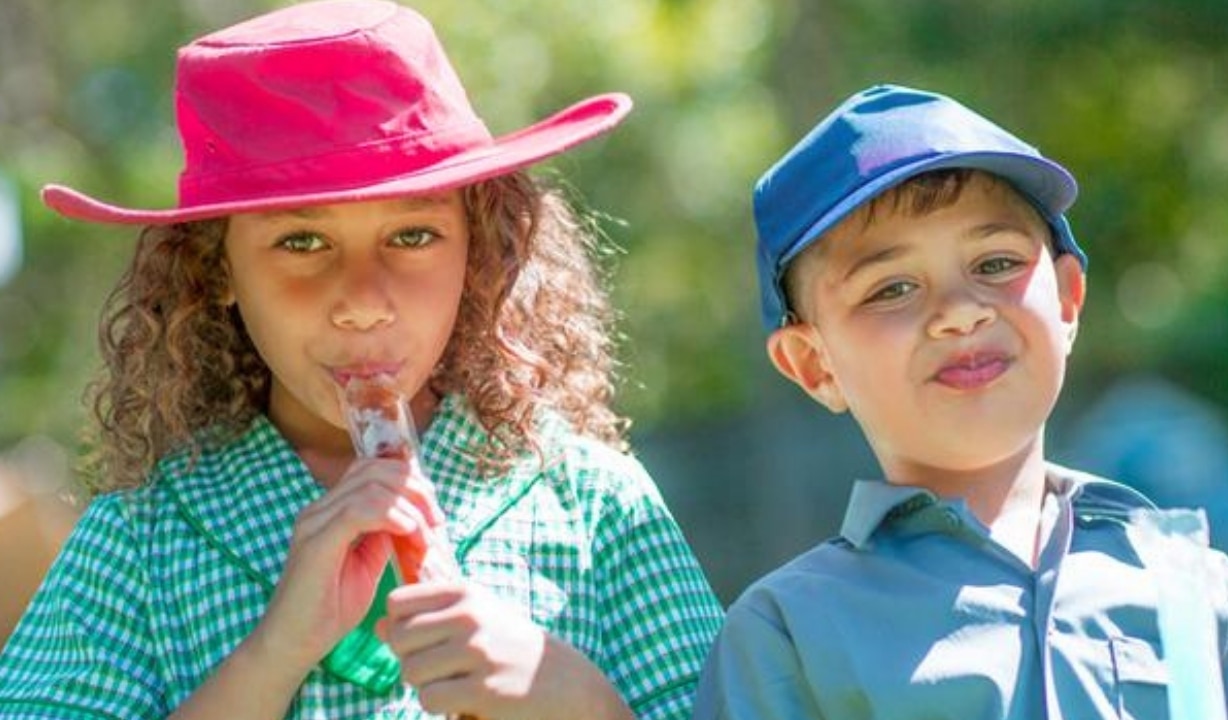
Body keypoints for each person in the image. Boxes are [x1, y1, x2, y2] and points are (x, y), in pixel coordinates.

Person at [0, 1, 724, 718]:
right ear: (213, 268)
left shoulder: (592, 503)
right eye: (303, 243)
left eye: (412, 236)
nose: (363, 301)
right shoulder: (141, 541)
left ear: (479, 249)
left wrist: (578, 702)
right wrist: (274, 653)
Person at [692, 83, 1228, 719]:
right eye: (891, 288)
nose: (961, 311)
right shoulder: (787, 635)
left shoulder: (1192, 588)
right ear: (813, 364)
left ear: (1067, 299)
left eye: (996, 263)